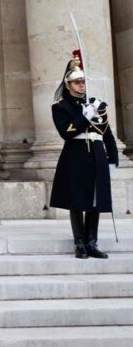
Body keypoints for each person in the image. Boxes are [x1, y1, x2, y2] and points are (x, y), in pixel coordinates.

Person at [51, 51, 119, 259]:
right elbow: (67, 132)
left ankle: (92, 242)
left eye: (83, 81)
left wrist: (113, 158)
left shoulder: (97, 104)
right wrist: (84, 117)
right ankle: (79, 243)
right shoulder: (60, 107)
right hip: (76, 154)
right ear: (68, 84)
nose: (81, 85)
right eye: (77, 82)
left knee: (95, 201)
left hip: (97, 154)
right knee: (77, 201)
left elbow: (107, 133)